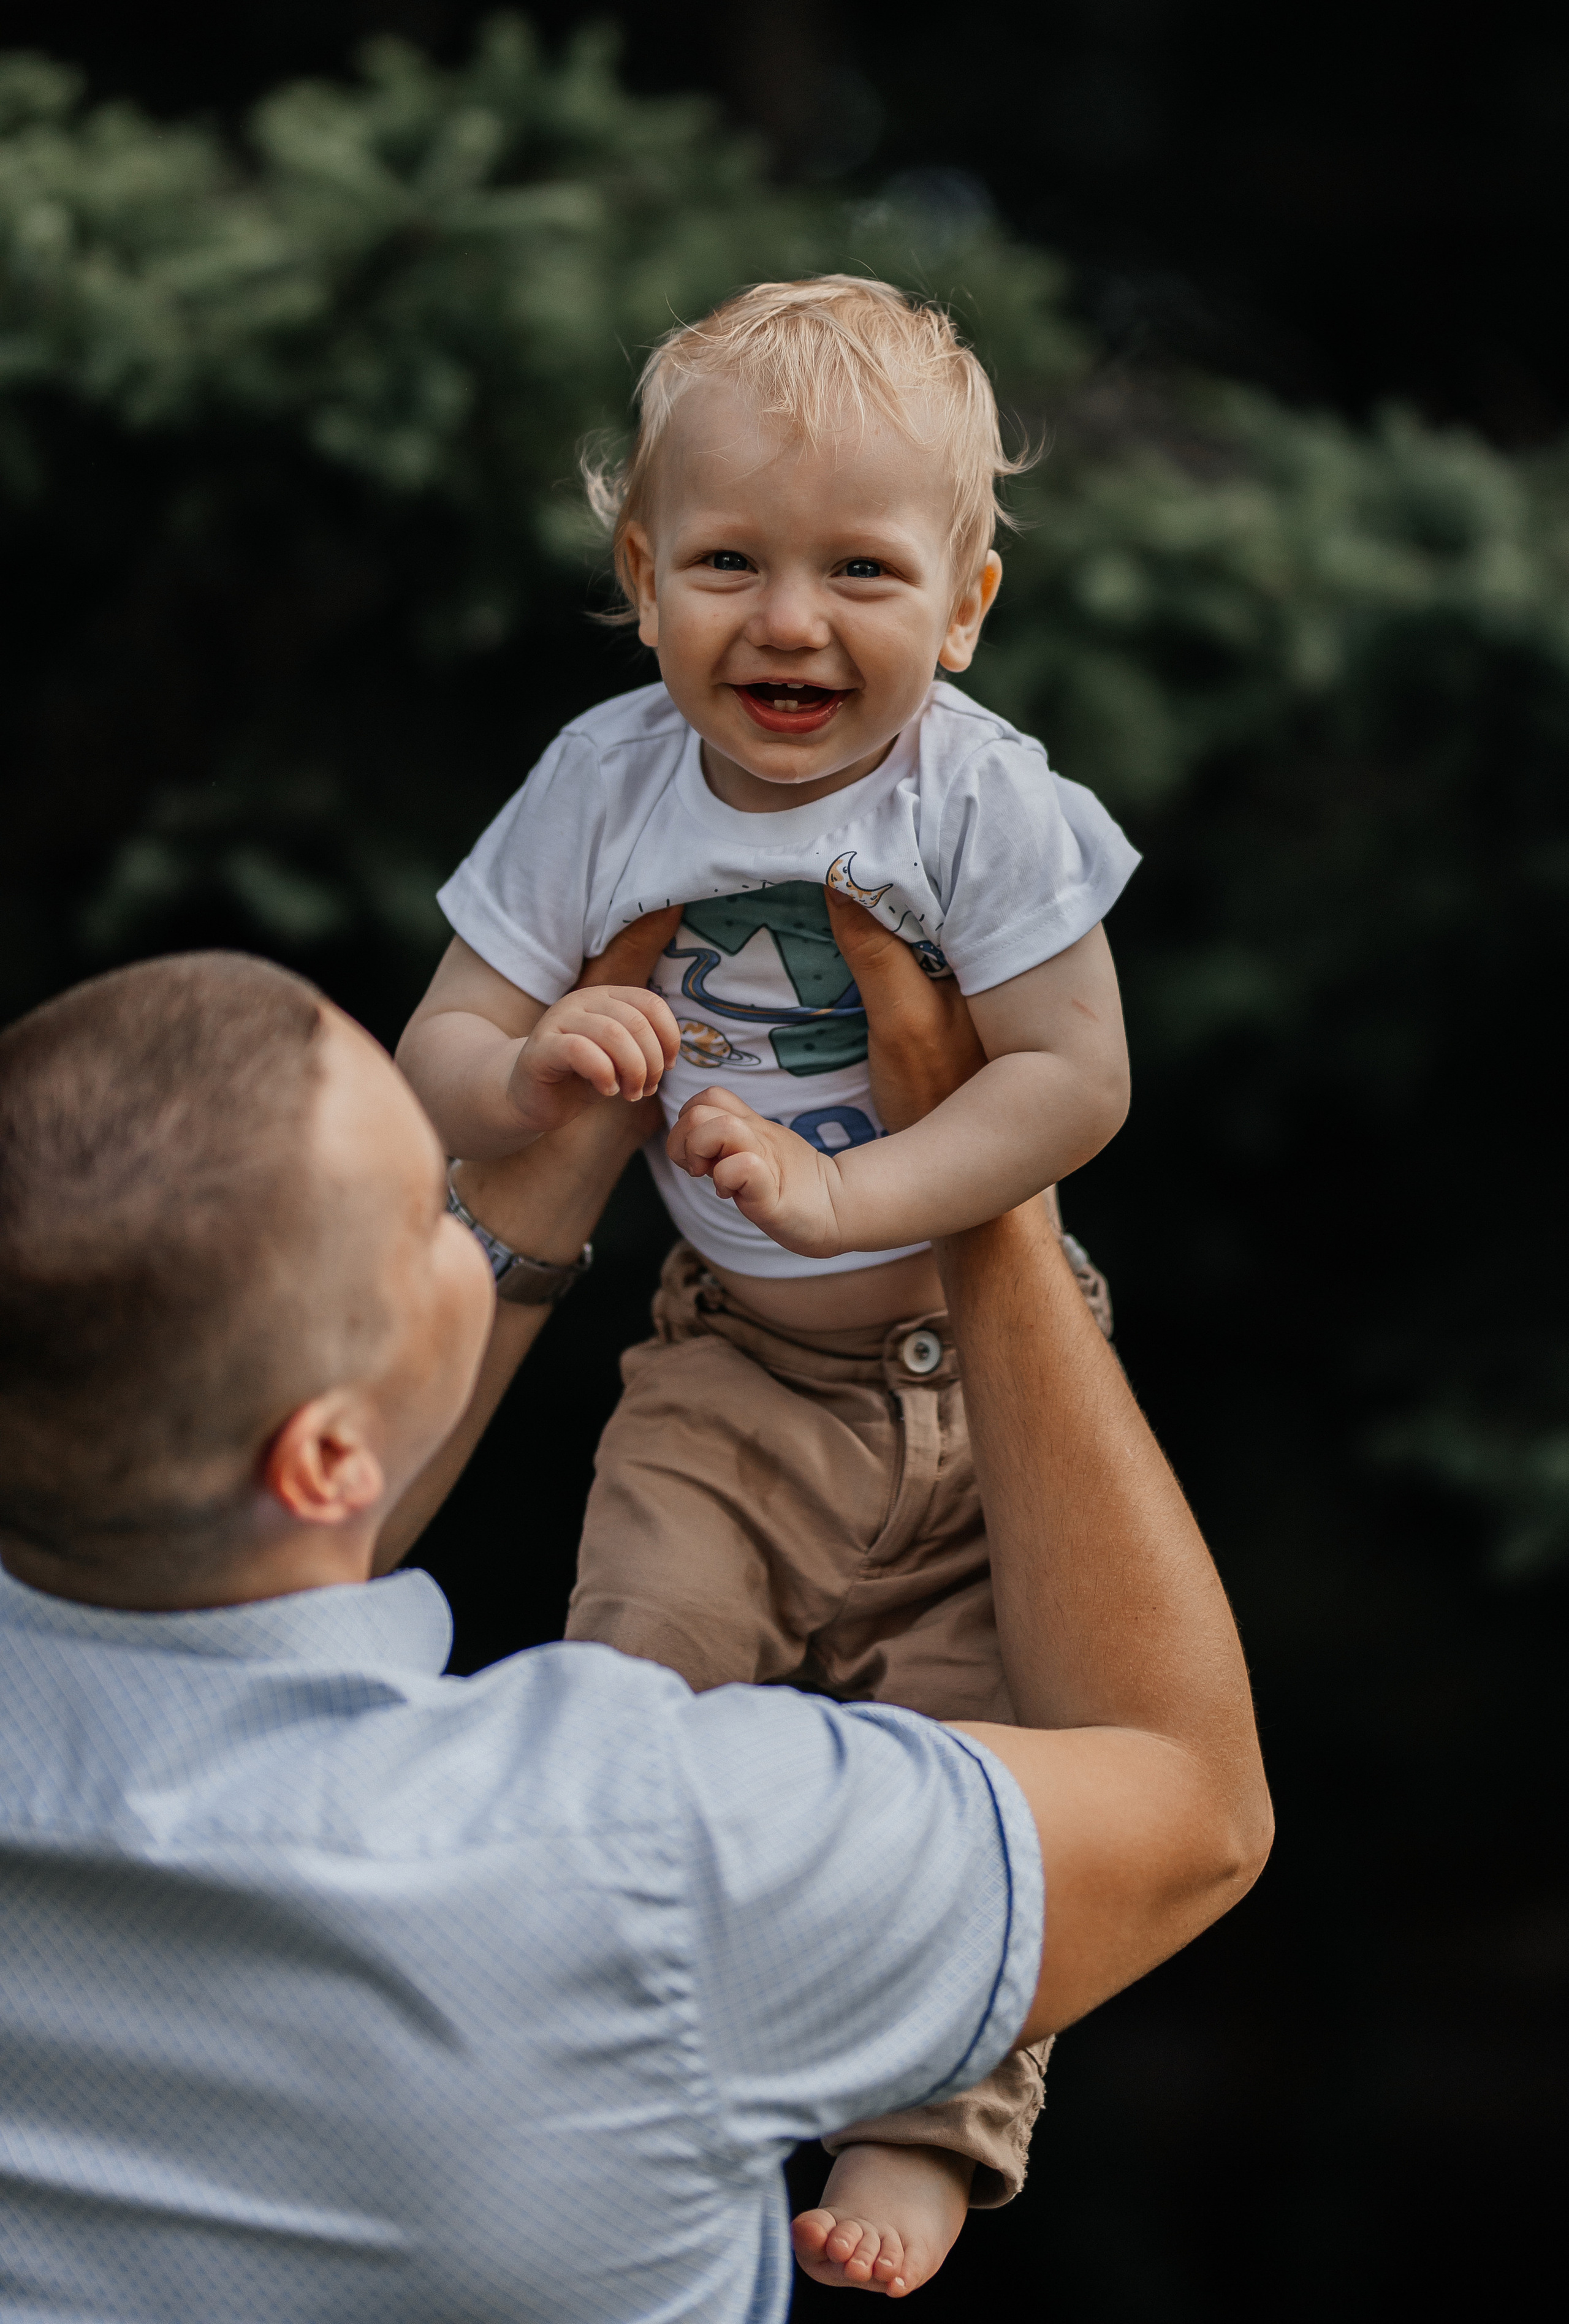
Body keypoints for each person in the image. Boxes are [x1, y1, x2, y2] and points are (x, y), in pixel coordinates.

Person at [0, 922, 1271, 2321]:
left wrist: (573, 1126)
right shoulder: (635, 1849)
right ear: (320, 1458)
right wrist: (980, 1181)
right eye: (432, 1205)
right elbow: (1188, 1801)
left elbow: (257, 1514)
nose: (463, 1219)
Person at [397, 276, 1139, 2251]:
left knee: (990, 1758)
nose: (789, 620)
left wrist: (863, 1189)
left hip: (980, 1386)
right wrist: (538, 1061)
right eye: (727, 560)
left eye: (862, 572)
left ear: (964, 606)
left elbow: (1072, 1083)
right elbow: (435, 1062)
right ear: (644, 578)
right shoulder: (602, 785)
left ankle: (935, 2118)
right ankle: (604, 2036)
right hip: (726, 1366)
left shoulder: (983, 799)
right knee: (630, 1679)